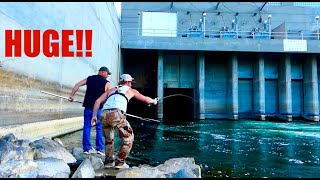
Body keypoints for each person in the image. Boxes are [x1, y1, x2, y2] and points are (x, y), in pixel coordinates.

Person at [91, 74, 158, 169]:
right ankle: (119, 162)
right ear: (127, 82)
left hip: (103, 115)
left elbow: (97, 101)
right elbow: (146, 100)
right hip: (116, 114)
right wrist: (154, 101)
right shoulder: (131, 90)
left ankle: (109, 162)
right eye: (130, 82)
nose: (131, 84)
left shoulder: (111, 90)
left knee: (109, 140)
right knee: (128, 138)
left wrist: (94, 116)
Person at [69, 66, 112, 155]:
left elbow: (77, 85)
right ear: (103, 73)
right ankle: (100, 149)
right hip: (99, 110)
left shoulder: (89, 78)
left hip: (88, 108)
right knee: (99, 129)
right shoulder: (106, 83)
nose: (107, 76)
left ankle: (86, 148)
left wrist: (72, 96)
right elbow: (107, 97)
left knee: (87, 127)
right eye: (107, 74)